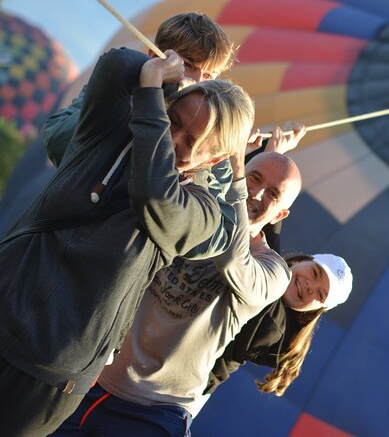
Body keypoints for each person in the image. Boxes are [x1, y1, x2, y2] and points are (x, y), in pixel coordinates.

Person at [0, 44, 254, 436]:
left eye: (191, 142)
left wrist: (152, 96)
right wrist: (164, 72)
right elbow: (115, 64)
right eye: (173, 119)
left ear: (212, 162)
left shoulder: (199, 214)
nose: (173, 139)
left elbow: (157, 195)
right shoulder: (105, 136)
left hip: (44, 378)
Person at [51, 150, 305, 436]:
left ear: (281, 214)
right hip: (90, 382)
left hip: (156, 412)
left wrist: (234, 181)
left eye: (273, 193)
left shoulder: (274, 270)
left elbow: (234, 260)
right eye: (253, 177)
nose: (256, 192)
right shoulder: (195, 215)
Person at [43, 11, 235, 167]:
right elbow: (56, 139)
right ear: (154, 56)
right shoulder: (121, 83)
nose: (198, 81)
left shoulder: (209, 128)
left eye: (209, 76)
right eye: (187, 65)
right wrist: (142, 93)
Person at [210, 253, 353, 397]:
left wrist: (263, 239)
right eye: (315, 273)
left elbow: (268, 280)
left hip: (191, 386)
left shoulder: (276, 328)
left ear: (315, 311)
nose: (311, 287)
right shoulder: (259, 266)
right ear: (299, 261)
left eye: (320, 295)